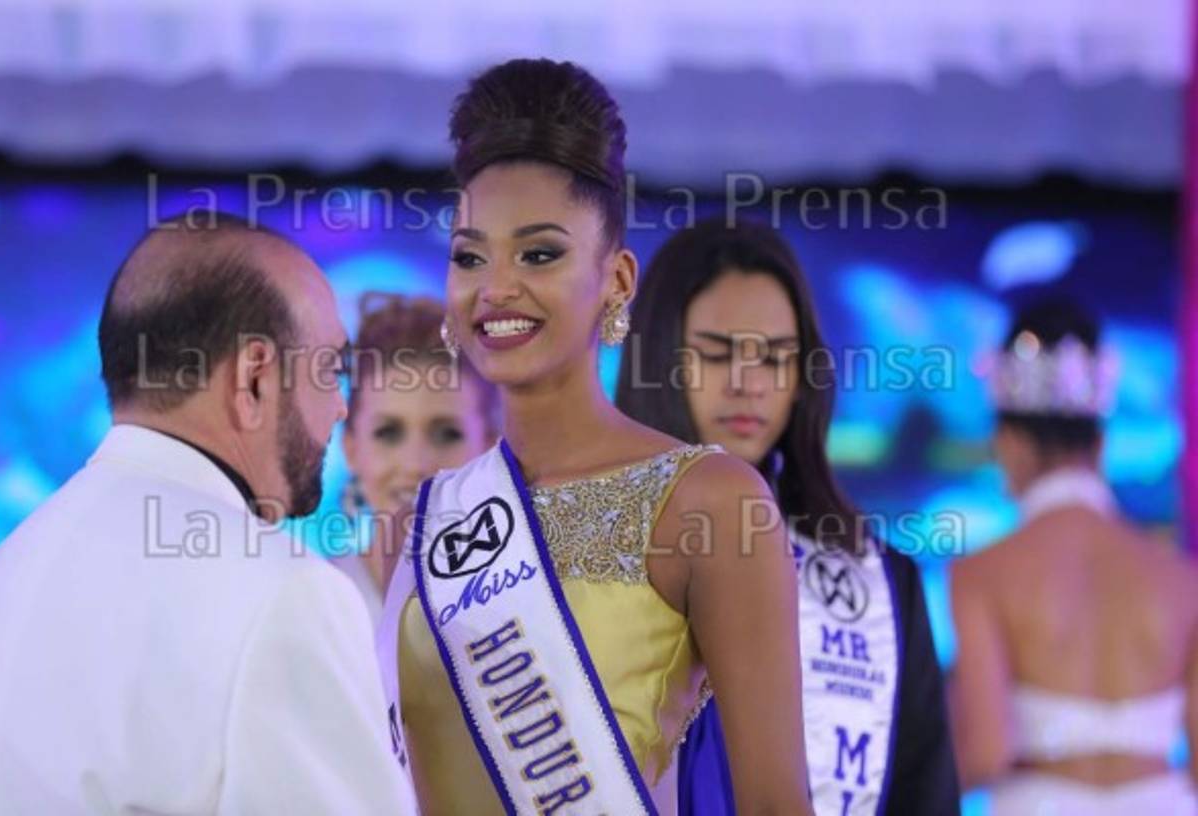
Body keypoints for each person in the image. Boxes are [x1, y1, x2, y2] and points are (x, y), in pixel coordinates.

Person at [377, 59, 814, 815]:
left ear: (616, 281)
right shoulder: (423, 520)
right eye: (469, 256)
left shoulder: (710, 504)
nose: (497, 287)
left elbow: (776, 805)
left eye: (539, 253)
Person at [0, 212, 417, 814]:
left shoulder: (8, 567)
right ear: (254, 378)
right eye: (331, 370)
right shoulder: (285, 592)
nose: (340, 408)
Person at [615, 216, 961, 816]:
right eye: (717, 354)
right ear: (658, 358)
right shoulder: (585, 546)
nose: (748, 384)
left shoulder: (876, 581)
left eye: (775, 358)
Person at [950, 297, 1198, 814]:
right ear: (1101, 445)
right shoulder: (1182, 579)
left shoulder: (982, 575)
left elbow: (985, 749)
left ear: (1010, 443)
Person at [335, 291, 497, 626]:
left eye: (446, 434)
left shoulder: (536, 611)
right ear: (351, 448)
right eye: (389, 433)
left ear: (490, 448)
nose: (416, 464)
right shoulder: (314, 607)